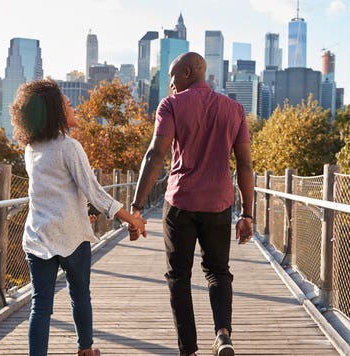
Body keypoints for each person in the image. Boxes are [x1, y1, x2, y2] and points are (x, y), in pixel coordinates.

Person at [128, 52, 254, 356]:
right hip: (219, 203)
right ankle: (223, 335)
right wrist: (247, 214)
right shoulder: (234, 109)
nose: (170, 83)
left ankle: (188, 350)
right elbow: (246, 166)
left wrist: (137, 205)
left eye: (172, 75)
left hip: (180, 202)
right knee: (218, 271)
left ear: (187, 72)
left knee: (178, 276)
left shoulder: (171, 105)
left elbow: (155, 155)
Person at [10, 79, 146, 356]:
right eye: (68, 105)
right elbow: (95, 192)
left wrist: (81, 211)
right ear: (55, 113)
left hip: (38, 237)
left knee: (41, 305)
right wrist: (132, 219)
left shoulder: (31, 150)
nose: (74, 108)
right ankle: (85, 349)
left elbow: (53, 193)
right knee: (80, 294)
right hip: (71, 237)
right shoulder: (69, 147)